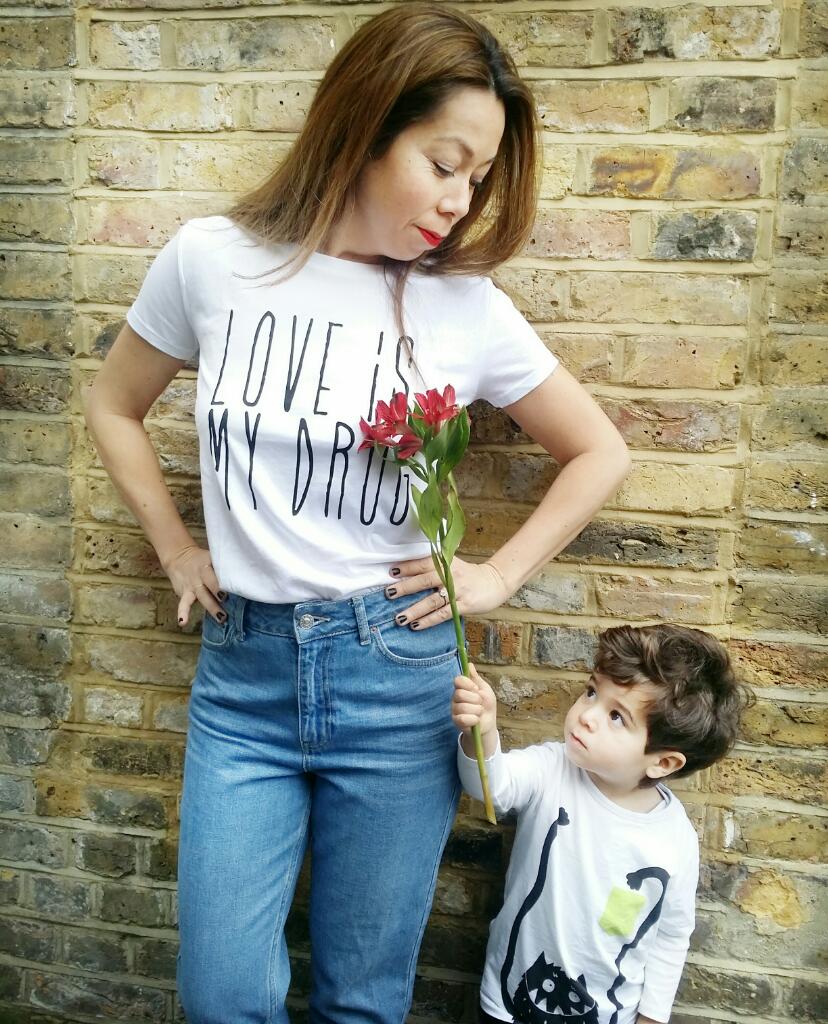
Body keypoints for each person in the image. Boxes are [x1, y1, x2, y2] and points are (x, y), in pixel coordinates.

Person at [82, 4, 631, 1021]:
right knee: (219, 994)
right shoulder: (212, 260)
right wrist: (176, 548)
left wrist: (497, 574)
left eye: (478, 179)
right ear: (366, 126)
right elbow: (113, 404)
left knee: (362, 999)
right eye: (444, 164)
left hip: (396, 680)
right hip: (242, 680)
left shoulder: (465, 306)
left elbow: (600, 450)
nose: (460, 202)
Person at [452, 624, 750, 1024]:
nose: (587, 715)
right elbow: (490, 787)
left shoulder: (673, 839)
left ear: (662, 762)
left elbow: (670, 934)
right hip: (508, 1002)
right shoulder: (552, 768)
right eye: (592, 692)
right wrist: (483, 732)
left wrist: (652, 1017)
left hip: (605, 1013)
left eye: (616, 717)